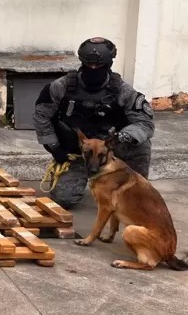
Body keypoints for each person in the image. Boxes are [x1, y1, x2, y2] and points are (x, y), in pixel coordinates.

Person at [33, 37, 155, 208]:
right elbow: (41, 116)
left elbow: (144, 122)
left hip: (111, 147)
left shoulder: (123, 90)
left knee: (141, 144)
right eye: (88, 65)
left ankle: (136, 189)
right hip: (77, 151)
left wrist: (124, 136)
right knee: (63, 200)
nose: (93, 69)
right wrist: (53, 146)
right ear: (82, 62)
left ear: (108, 64)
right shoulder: (61, 87)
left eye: (98, 66)